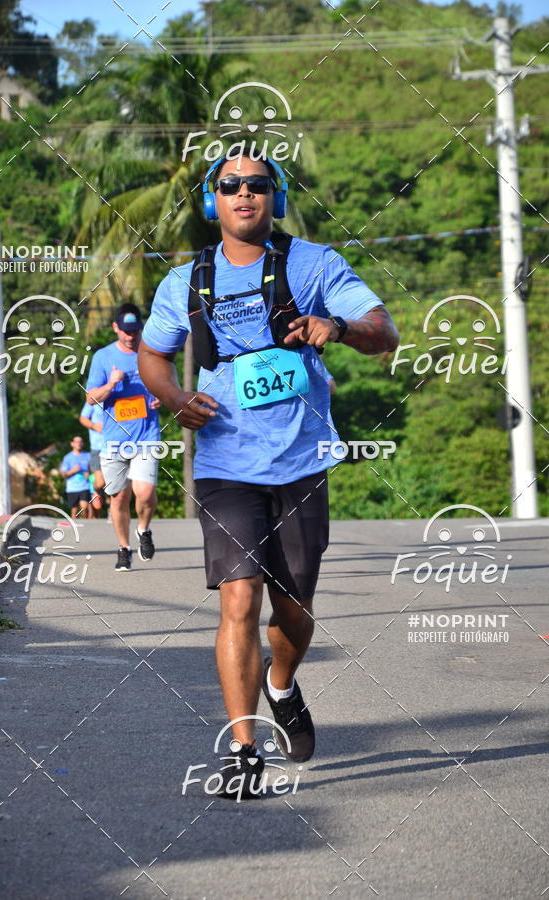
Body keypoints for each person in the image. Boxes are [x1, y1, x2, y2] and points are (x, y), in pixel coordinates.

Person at [138, 152, 399, 797]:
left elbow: (383, 331)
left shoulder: (314, 264)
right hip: (226, 463)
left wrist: (332, 327)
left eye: (258, 185)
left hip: (301, 460)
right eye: (230, 186)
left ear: (273, 198)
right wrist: (175, 400)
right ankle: (243, 747)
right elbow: (152, 354)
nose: (244, 194)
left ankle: (282, 684)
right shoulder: (186, 280)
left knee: (294, 608)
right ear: (213, 202)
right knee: (239, 597)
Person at [85, 302, 161, 571]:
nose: (131, 336)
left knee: (145, 493)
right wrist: (112, 383)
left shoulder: (151, 352)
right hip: (114, 440)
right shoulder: (103, 358)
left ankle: (144, 529)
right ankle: (123, 548)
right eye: (126, 331)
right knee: (118, 498)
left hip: (147, 437)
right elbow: (91, 398)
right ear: (115, 328)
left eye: (136, 330)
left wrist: (161, 399)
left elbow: (167, 385)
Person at [79, 400, 105, 518]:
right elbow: (83, 418)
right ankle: (95, 491)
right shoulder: (94, 399)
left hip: (116, 446)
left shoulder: (119, 394)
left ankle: (113, 511)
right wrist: (94, 426)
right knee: (100, 482)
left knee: (115, 482)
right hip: (97, 448)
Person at [60, 435, 91, 517]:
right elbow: (63, 474)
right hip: (72, 488)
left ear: (83, 444)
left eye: (80, 441)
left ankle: (86, 526)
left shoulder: (88, 455)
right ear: (72, 444)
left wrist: (89, 474)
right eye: (76, 442)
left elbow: (92, 470)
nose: (79, 443)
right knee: (74, 512)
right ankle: (74, 527)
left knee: (84, 508)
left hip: (84, 486)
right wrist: (73, 471)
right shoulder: (67, 457)